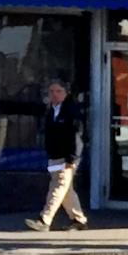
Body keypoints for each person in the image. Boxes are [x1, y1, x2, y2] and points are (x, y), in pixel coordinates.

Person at [25, 79, 90, 231]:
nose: (54, 94)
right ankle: (79, 220)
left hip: (67, 157)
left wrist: (72, 158)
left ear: (66, 93)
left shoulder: (71, 111)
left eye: (58, 91)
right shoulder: (51, 110)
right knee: (66, 190)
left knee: (58, 186)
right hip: (54, 156)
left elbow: (76, 136)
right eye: (52, 91)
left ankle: (44, 220)